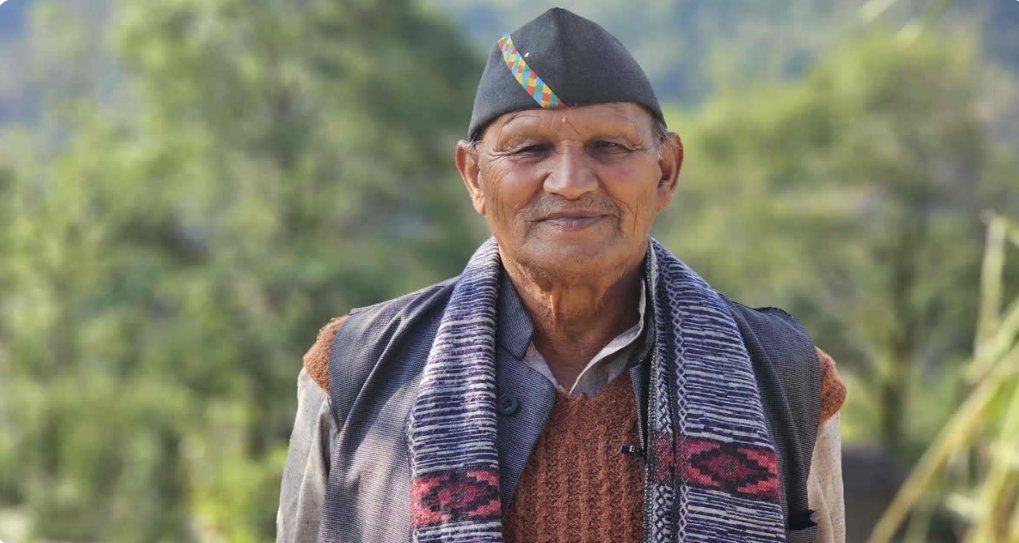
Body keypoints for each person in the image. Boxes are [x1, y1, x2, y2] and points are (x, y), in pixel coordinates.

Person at [277, 7, 846, 543]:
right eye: (529, 149)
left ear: (666, 172)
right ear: (474, 177)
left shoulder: (785, 375)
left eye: (609, 146)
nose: (570, 182)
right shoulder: (356, 367)